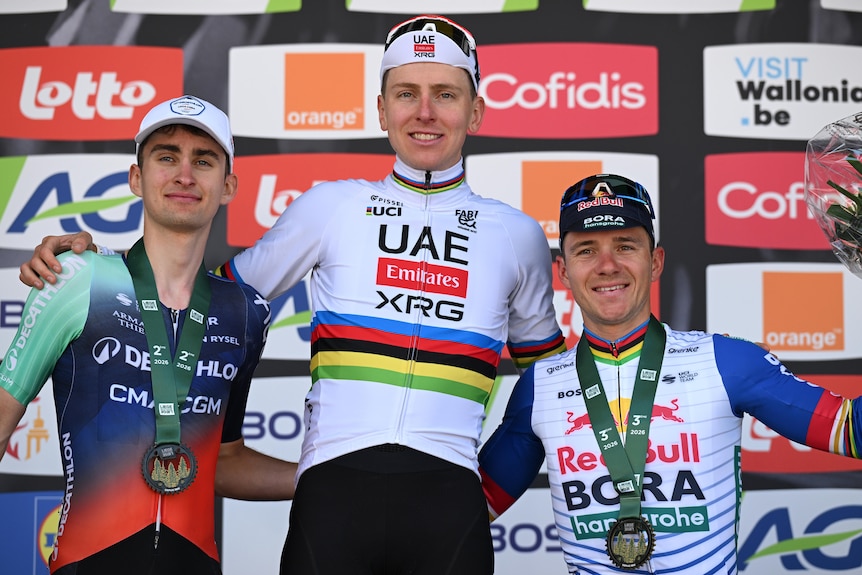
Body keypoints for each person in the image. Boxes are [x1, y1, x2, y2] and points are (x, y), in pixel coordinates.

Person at [18, 15, 567, 575]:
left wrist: (489, 491)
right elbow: (197, 296)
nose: (424, 113)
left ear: (475, 111)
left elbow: (552, 387)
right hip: (331, 499)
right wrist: (100, 266)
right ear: (381, 110)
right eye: (406, 94)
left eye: (445, 94)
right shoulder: (330, 207)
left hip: (449, 506)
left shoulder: (516, 235)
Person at [477, 173, 862, 574]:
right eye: (586, 251)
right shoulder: (539, 386)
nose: (607, 266)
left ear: (656, 261)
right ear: (564, 271)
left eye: (626, 246)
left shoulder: (727, 361)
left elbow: (852, 431)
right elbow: (468, 509)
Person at [1, 95, 296, 575]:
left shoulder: (244, 311)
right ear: (137, 178)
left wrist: (322, 478)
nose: (184, 174)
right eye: (166, 157)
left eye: (203, 161)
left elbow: (222, 460)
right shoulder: (77, 278)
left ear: (227, 186)